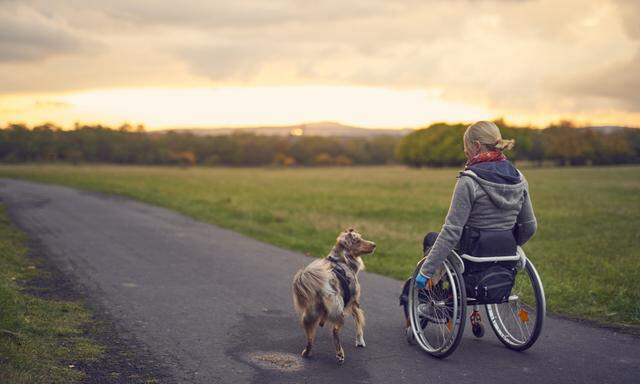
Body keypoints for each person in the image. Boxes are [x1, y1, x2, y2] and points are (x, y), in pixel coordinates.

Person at [414, 120, 537, 288]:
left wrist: (426, 271)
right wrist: (506, 246)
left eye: (467, 151)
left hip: (471, 256)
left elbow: (452, 232)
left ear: (477, 146)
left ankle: (430, 300)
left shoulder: (469, 180)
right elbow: (529, 226)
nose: (466, 154)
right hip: (506, 252)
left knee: (432, 238)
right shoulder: (519, 177)